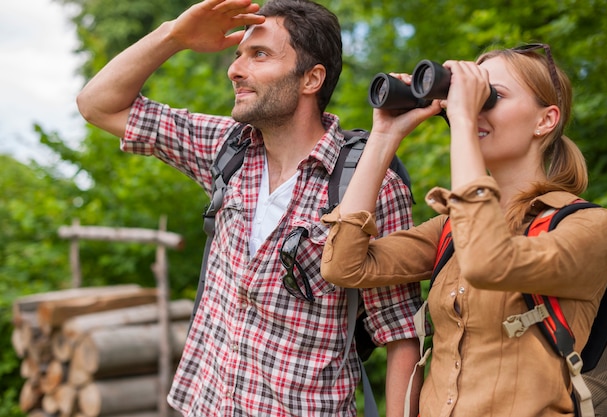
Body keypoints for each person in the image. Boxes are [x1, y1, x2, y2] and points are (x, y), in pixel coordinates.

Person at [76, 0, 423, 415]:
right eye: (238, 55)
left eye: (259, 55)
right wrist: (174, 36)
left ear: (312, 78)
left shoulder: (370, 187)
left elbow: (401, 333)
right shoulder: (227, 147)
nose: (235, 70)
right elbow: (97, 104)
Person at [320, 44, 607, 417]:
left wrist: (464, 119)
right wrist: (384, 136)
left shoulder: (592, 226)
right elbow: (343, 266)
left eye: (490, 96)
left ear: (546, 120)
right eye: (468, 94)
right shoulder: (450, 228)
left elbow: (487, 262)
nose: (473, 106)